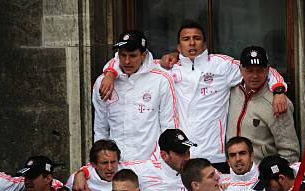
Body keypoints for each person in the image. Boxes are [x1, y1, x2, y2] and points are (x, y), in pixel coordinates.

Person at [100, 20, 288, 173]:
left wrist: (278, 90)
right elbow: (129, 60)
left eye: (196, 38)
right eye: (186, 39)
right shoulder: (165, 68)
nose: (191, 43)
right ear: (178, 45)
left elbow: (260, 70)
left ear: (204, 44)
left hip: (215, 154)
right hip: (182, 156)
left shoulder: (221, 66)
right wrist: (110, 73)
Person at [92, 30, 179, 161]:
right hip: (117, 165)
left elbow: (169, 125)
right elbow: (100, 128)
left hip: (152, 164)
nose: (127, 61)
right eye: (123, 55)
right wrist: (102, 162)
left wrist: (161, 161)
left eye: (133, 56)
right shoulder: (103, 82)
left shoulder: (161, 80)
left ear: (143, 55)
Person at [227, 46, 300, 163]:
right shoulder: (230, 93)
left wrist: (276, 177)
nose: (255, 76)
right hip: (232, 173)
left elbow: (289, 152)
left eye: (260, 70)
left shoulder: (277, 103)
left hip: (263, 175)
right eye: (249, 70)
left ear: (267, 70)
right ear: (241, 70)